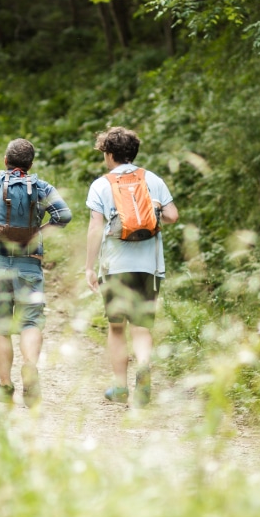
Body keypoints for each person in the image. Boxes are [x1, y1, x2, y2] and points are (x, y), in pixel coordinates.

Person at [0, 138, 72, 407]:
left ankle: (5, 386)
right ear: (30, 164)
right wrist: (39, 233)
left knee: (0, 326)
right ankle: (30, 366)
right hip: (30, 263)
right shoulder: (41, 187)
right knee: (30, 322)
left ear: (6, 161)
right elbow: (63, 216)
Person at [84, 126, 179, 407]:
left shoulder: (101, 184)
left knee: (116, 327)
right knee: (141, 326)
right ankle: (144, 373)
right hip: (149, 267)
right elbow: (172, 215)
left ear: (110, 154)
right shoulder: (152, 179)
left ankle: (120, 387)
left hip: (114, 267)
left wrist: (89, 266)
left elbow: (95, 226)